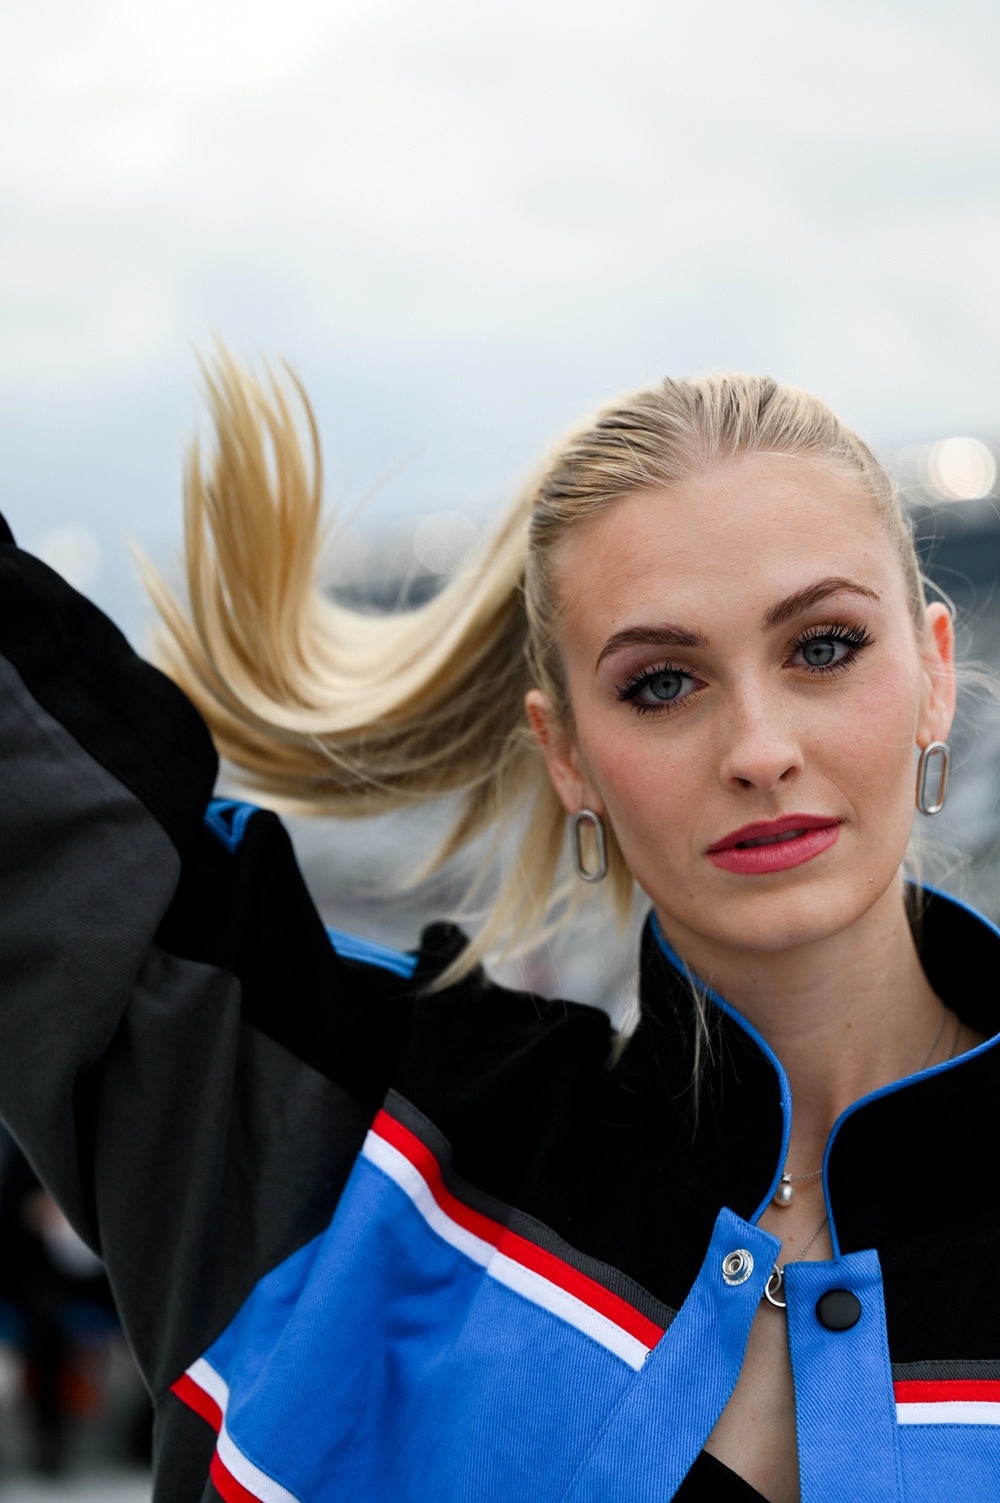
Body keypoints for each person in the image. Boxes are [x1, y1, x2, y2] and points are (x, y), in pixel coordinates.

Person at [0, 363, 995, 1503]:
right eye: (662, 683)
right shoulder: (347, 1156)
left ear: (930, 673)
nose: (758, 749)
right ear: (565, 751)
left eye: (822, 646)